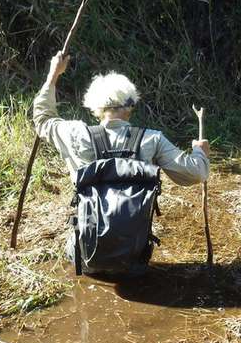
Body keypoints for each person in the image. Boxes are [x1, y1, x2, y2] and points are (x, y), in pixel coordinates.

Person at [32, 51, 210, 263]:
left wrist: (53, 75)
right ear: (130, 106)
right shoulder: (151, 140)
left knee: (75, 246)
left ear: (95, 107)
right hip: (136, 256)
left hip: (87, 255)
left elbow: (42, 119)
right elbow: (196, 173)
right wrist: (200, 151)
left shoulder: (76, 134)